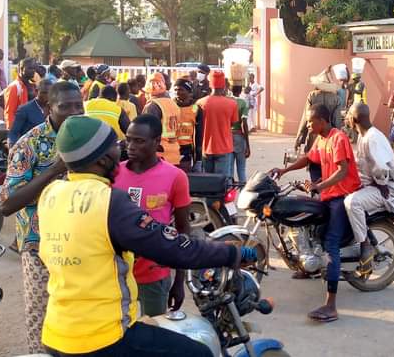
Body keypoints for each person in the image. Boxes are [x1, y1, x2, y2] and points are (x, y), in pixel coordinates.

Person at [37, 115, 253, 357]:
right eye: (116, 145)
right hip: (101, 337)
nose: (123, 149)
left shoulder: (50, 193)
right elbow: (174, 248)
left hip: (56, 332)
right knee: (200, 353)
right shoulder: (109, 201)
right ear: (103, 158)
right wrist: (232, 253)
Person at [0, 81, 84, 353]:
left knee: (79, 315)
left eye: (79, 105)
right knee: (42, 316)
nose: (74, 112)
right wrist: (54, 170)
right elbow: (7, 204)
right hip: (41, 245)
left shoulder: (88, 136)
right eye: (65, 106)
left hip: (83, 242)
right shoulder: (29, 144)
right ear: (49, 107)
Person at [273, 104, 361, 323]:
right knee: (309, 225)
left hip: (341, 195)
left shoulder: (338, 138)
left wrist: (318, 186)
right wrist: (284, 170)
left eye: (311, 122)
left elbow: (342, 171)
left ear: (322, 120)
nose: (309, 125)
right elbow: (308, 158)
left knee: (331, 243)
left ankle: (331, 305)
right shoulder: (321, 139)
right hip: (328, 194)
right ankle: (309, 266)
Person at [114, 114, 192, 316]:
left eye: (139, 141)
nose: (131, 147)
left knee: (154, 327)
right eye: (128, 140)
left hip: (154, 275)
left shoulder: (175, 177)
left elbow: (183, 229)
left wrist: (179, 281)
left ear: (157, 141)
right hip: (115, 274)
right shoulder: (113, 173)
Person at [344, 103, 394, 276]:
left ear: (354, 119)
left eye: (348, 115)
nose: (346, 119)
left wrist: (380, 184)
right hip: (375, 184)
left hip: (387, 187)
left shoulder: (372, 138)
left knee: (352, 202)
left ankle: (365, 244)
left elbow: (381, 168)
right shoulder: (363, 136)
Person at [295, 73, 341, 182]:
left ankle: (315, 186)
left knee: (313, 162)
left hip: (313, 137)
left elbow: (305, 118)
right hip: (329, 138)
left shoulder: (312, 96)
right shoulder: (336, 99)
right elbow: (337, 121)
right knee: (328, 166)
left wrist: (299, 139)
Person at [197, 70, 238, 175]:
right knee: (222, 181)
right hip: (224, 147)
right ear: (224, 86)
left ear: (210, 85)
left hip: (206, 148)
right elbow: (233, 123)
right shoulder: (232, 104)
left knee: (208, 180)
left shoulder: (200, 103)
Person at [142, 72, 182, 166]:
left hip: (159, 156)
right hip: (174, 155)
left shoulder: (152, 106)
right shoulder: (173, 104)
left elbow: (146, 133)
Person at [8, 79, 52, 146]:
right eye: (44, 93)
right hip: (29, 147)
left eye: (50, 93)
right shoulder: (24, 109)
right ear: (36, 91)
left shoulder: (54, 109)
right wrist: (13, 147)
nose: (47, 96)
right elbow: (13, 133)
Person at [172, 78, 203, 172]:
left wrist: (198, 159)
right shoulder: (170, 105)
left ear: (189, 91)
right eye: (175, 90)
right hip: (171, 147)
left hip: (186, 149)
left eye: (181, 89)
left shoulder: (196, 109)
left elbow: (199, 135)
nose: (177, 92)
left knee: (184, 174)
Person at [4, 58, 37, 130]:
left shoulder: (33, 85)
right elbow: (9, 112)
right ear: (21, 69)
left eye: (34, 68)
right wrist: (12, 131)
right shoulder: (14, 87)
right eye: (30, 68)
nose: (33, 71)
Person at [229, 83, 251, 184]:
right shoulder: (243, 103)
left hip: (227, 137)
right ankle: (243, 191)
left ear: (231, 89)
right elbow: (244, 123)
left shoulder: (227, 101)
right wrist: (248, 145)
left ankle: (229, 191)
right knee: (241, 169)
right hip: (239, 137)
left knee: (229, 169)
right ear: (241, 90)